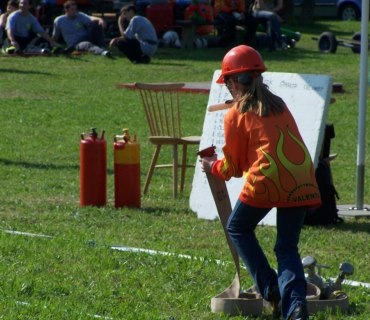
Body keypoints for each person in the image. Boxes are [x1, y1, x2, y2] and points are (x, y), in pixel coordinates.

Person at [200, 45, 321, 320]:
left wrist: (212, 165)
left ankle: (271, 289)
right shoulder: (278, 104)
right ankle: (295, 308)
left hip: (267, 180)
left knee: (237, 227)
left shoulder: (235, 114)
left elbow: (233, 167)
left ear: (234, 81)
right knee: (287, 247)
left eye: (228, 82)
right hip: (302, 179)